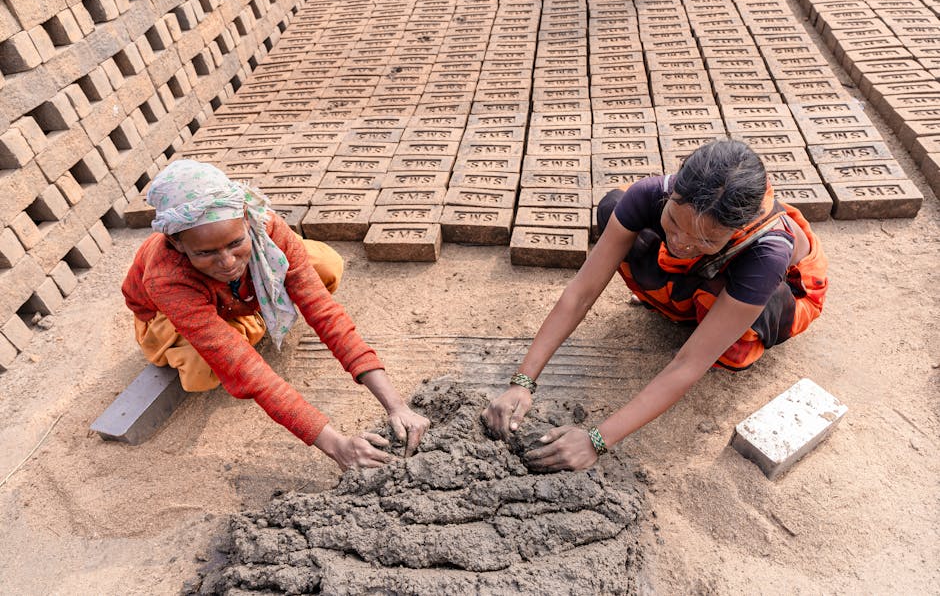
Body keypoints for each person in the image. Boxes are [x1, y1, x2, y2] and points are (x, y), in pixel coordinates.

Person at [483, 139, 828, 471]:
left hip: (778, 298)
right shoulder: (650, 194)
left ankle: (719, 322)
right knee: (613, 208)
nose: (679, 242)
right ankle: (693, 301)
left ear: (737, 228)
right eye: (674, 222)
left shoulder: (766, 254)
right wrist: (522, 382)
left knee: (737, 316)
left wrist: (597, 440)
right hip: (711, 274)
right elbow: (581, 292)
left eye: (706, 239)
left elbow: (688, 364)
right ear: (674, 190)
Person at [122, 159, 429, 469]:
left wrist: (397, 405)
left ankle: (247, 317)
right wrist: (336, 446)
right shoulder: (167, 277)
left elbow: (325, 313)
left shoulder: (266, 225)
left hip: (236, 297)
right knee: (204, 366)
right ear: (176, 242)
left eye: (235, 243)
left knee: (324, 266)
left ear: (245, 219)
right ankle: (244, 323)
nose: (227, 261)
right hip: (169, 318)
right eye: (206, 253)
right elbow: (248, 370)